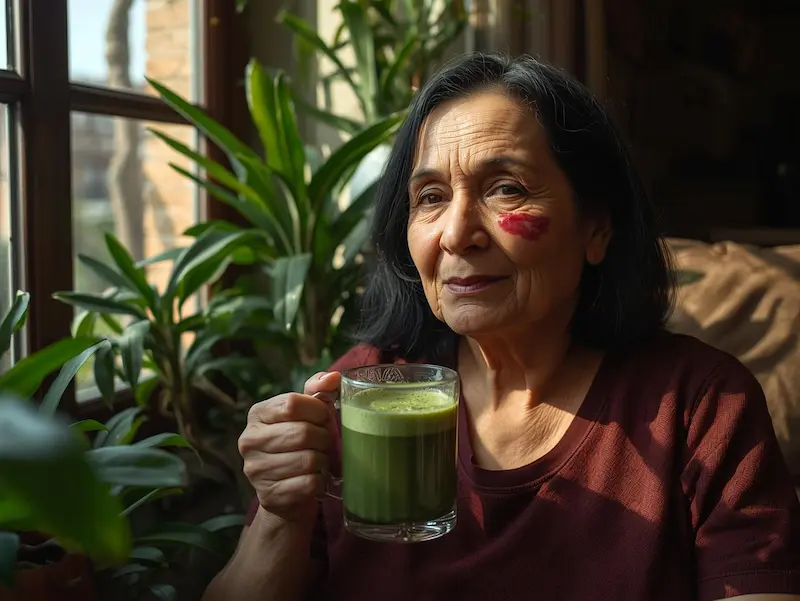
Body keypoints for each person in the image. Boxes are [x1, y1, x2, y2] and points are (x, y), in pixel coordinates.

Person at [202, 53, 800, 601]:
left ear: (596, 227)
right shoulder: (361, 389)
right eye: (429, 196)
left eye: (505, 188)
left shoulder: (700, 407)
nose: (457, 233)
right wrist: (282, 516)